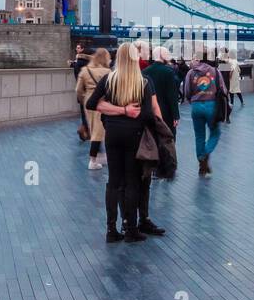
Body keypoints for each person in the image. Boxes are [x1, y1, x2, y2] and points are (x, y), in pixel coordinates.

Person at [86, 42, 164, 242]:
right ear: (135, 58)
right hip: (134, 136)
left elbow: (91, 103)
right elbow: (147, 114)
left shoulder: (108, 80)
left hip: (112, 134)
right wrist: (129, 112)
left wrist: (114, 110)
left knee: (113, 181)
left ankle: (111, 230)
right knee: (131, 182)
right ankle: (130, 229)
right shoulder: (143, 82)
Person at [182, 51, 226, 178]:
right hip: (211, 106)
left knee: (199, 135)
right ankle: (206, 153)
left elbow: (186, 91)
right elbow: (223, 89)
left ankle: (201, 162)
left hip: (196, 106)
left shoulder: (191, 72)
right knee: (215, 133)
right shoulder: (215, 71)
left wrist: (193, 101)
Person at [77, 48, 111, 169]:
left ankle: (98, 156)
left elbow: (78, 90)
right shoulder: (108, 71)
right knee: (99, 129)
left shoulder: (85, 70)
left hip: (88, 100)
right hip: (102, 101)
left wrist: (83, 100)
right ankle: (93, 160)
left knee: (94, 128)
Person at [143, 47, 181, 132]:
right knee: (167, 138)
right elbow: (172, 95)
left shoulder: (145, 71)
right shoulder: (169, 72)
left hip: (149, 110)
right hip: (166, 112)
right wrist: (175, 115)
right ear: (162, 56)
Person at [71, 44, 92, 140]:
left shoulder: (78, 63)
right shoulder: (90, 64)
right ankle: (91, 131)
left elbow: (78, 78)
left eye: (79, 48)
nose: (77, 49)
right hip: (91, 92)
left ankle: (85, 131)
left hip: (83, 92)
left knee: (84, 113)